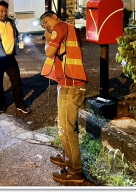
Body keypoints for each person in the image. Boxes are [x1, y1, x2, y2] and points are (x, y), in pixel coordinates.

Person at [39, 10, 88, 184]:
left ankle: (75, 172)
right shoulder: (69, 28)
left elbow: (50, 52)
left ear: (55, 17)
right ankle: (67, 158)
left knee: (67, 130)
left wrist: (47, 37)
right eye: (43, 24)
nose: (46, 25)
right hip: (68, 83)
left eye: (46, 21)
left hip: (71, 85)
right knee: (65, 127)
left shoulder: (60, 27)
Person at [0, 0, 31, 114]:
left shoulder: (11, 23)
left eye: (5, 11)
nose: (4, 13)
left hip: (10, 58)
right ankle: (1, 104)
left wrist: (20, 40)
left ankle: (20, 104)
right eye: (1, 11)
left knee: (16, 81)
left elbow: (16, 34)